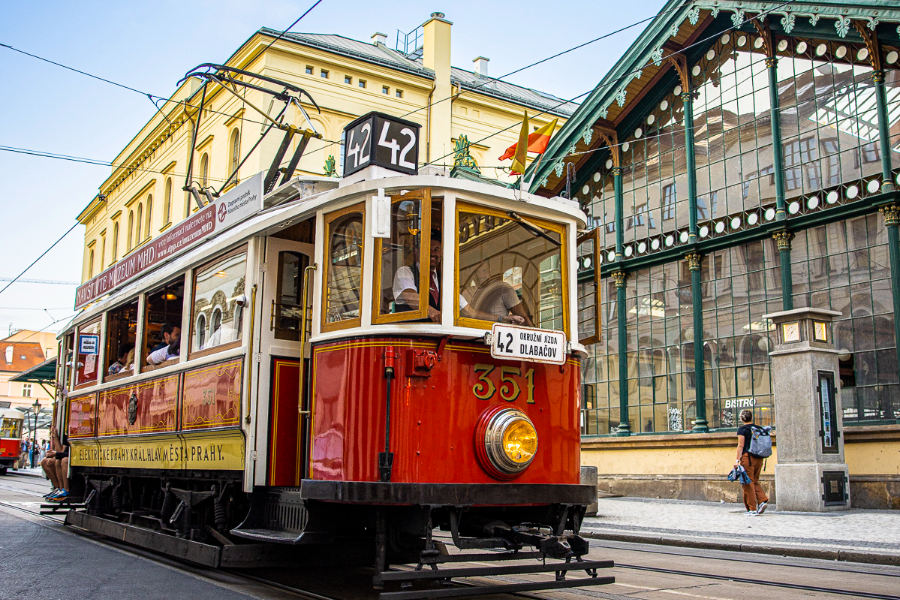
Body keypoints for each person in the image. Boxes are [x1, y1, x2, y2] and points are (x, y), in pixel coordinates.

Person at [393, 231, 522, 324]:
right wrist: (431, 311)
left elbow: (471, 313)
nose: (433, 253)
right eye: (428, 248)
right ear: (417, 252)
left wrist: (502, 319)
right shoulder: (405, 272)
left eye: (437, 249)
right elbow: (410, 297)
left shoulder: (444, 280)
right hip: (411, 341)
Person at [735, 409, 769, 515]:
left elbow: (740, 445)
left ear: (741, 418)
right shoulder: (758, 428)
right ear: (751, 417)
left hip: (748, 457)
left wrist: (737, 460)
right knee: (754, 481)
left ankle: (752, 508)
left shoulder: (742, 429)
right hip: (759, 457)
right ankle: (762, 500)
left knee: (748, 482)